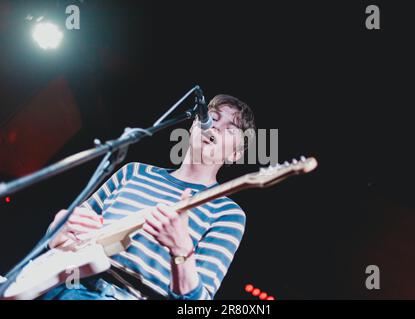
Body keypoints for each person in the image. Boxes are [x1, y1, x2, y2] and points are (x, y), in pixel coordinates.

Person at [41, 94, 256, 300]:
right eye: (213, 118)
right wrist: (58, 228)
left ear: (235, 155)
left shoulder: (228, 213)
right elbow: (61, 238)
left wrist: (181, 249)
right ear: (193, 126)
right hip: (61, 285)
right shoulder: (134, 172)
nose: (215, 127)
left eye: (230, 130)